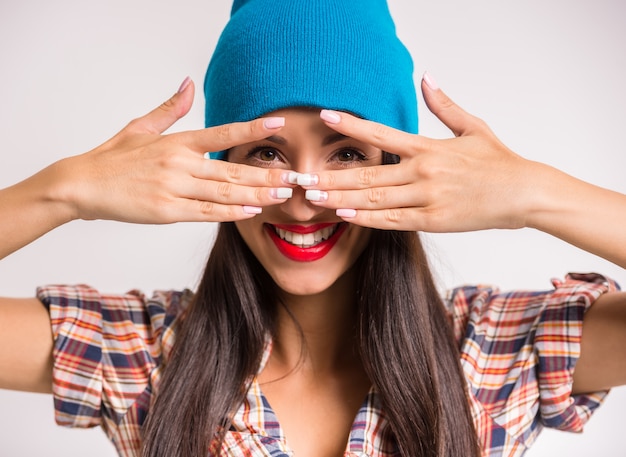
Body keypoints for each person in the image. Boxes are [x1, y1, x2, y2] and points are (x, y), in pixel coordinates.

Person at [0, 0, 625, 456]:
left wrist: (536, 194)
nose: (303, 197)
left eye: (347, 153)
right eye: (267, 153)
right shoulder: (137, 350)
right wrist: (65, 190)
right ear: (218, 171)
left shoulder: (498, 351)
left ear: (401, 167)